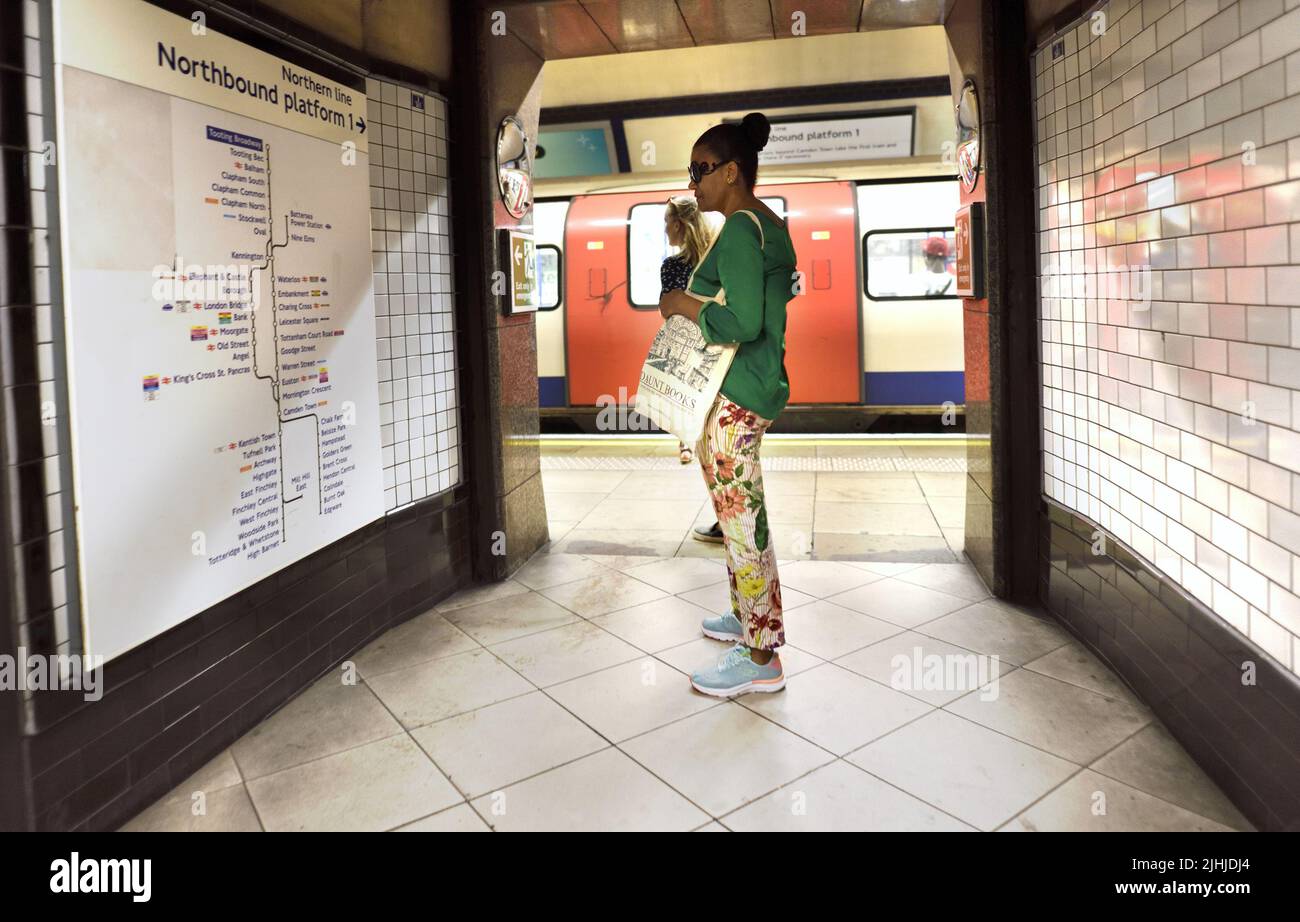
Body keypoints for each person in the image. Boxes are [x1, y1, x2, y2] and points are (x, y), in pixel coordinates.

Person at [657, 112, 797, 698]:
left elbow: (742, 320)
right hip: (756, 385)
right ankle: (745, 617)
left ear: (732, 171)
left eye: (700, 170)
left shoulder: (741, 228)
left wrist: (679, 306)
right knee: (736, 514)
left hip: (736, 391)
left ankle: (760, 655)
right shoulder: (769, 224)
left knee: (740, 521)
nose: (693, 183)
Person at [659, 196, 713, 468]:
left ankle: (686, 442)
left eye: (667, 222)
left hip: (686, 345)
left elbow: (667, 308)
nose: (666, 228)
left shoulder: (672, 265)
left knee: (685, 397)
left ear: (679, 225)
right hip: (717, 340)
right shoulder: (715, 258)